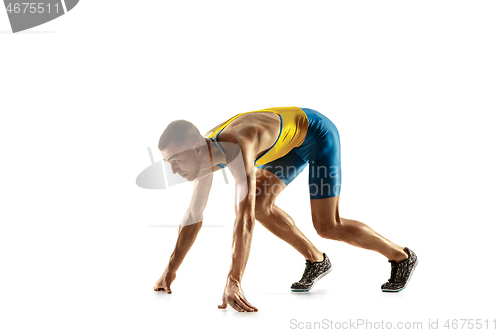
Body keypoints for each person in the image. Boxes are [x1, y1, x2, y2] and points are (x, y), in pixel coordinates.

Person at [153, 107, 418, 312]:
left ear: (197, 149)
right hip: (286, 145)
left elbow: (243, 218)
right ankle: (317, 260)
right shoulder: (204, 156)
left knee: (327, 226)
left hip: (317, 134)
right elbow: (193, 215)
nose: (173, 170)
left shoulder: (236, 145)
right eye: (168, 163)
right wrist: (170, 270)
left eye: (175, 160)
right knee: (260, 206)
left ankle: (401, 257)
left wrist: (233, 281)